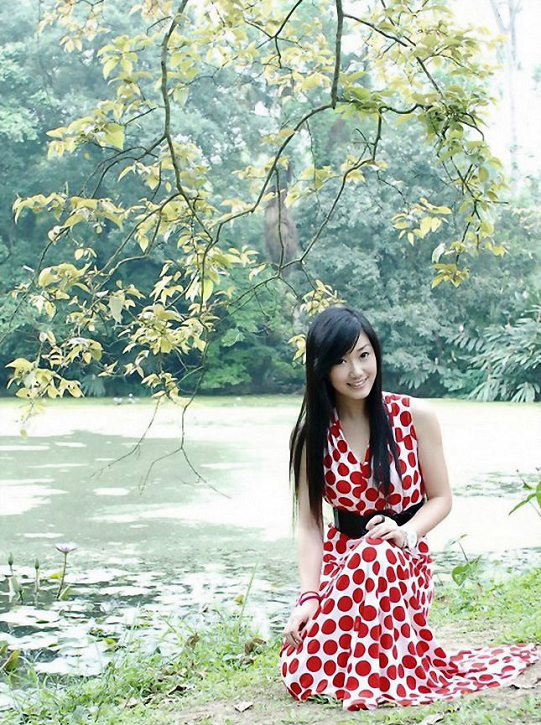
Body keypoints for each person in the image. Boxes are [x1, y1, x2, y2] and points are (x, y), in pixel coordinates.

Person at [280, 306, 537, 711]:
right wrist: (309, 597)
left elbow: (442, 498)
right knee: (307, 666)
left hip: (403, 560)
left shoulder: (414, 416)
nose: (356, 371)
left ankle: (374, 673)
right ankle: (362, 668)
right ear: (322, 368)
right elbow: (310, 526)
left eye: (364, 355)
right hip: (342, 567)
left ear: (376, 354)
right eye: (341, 361)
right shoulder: (311, 435)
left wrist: (406, 533)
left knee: (377, 554)